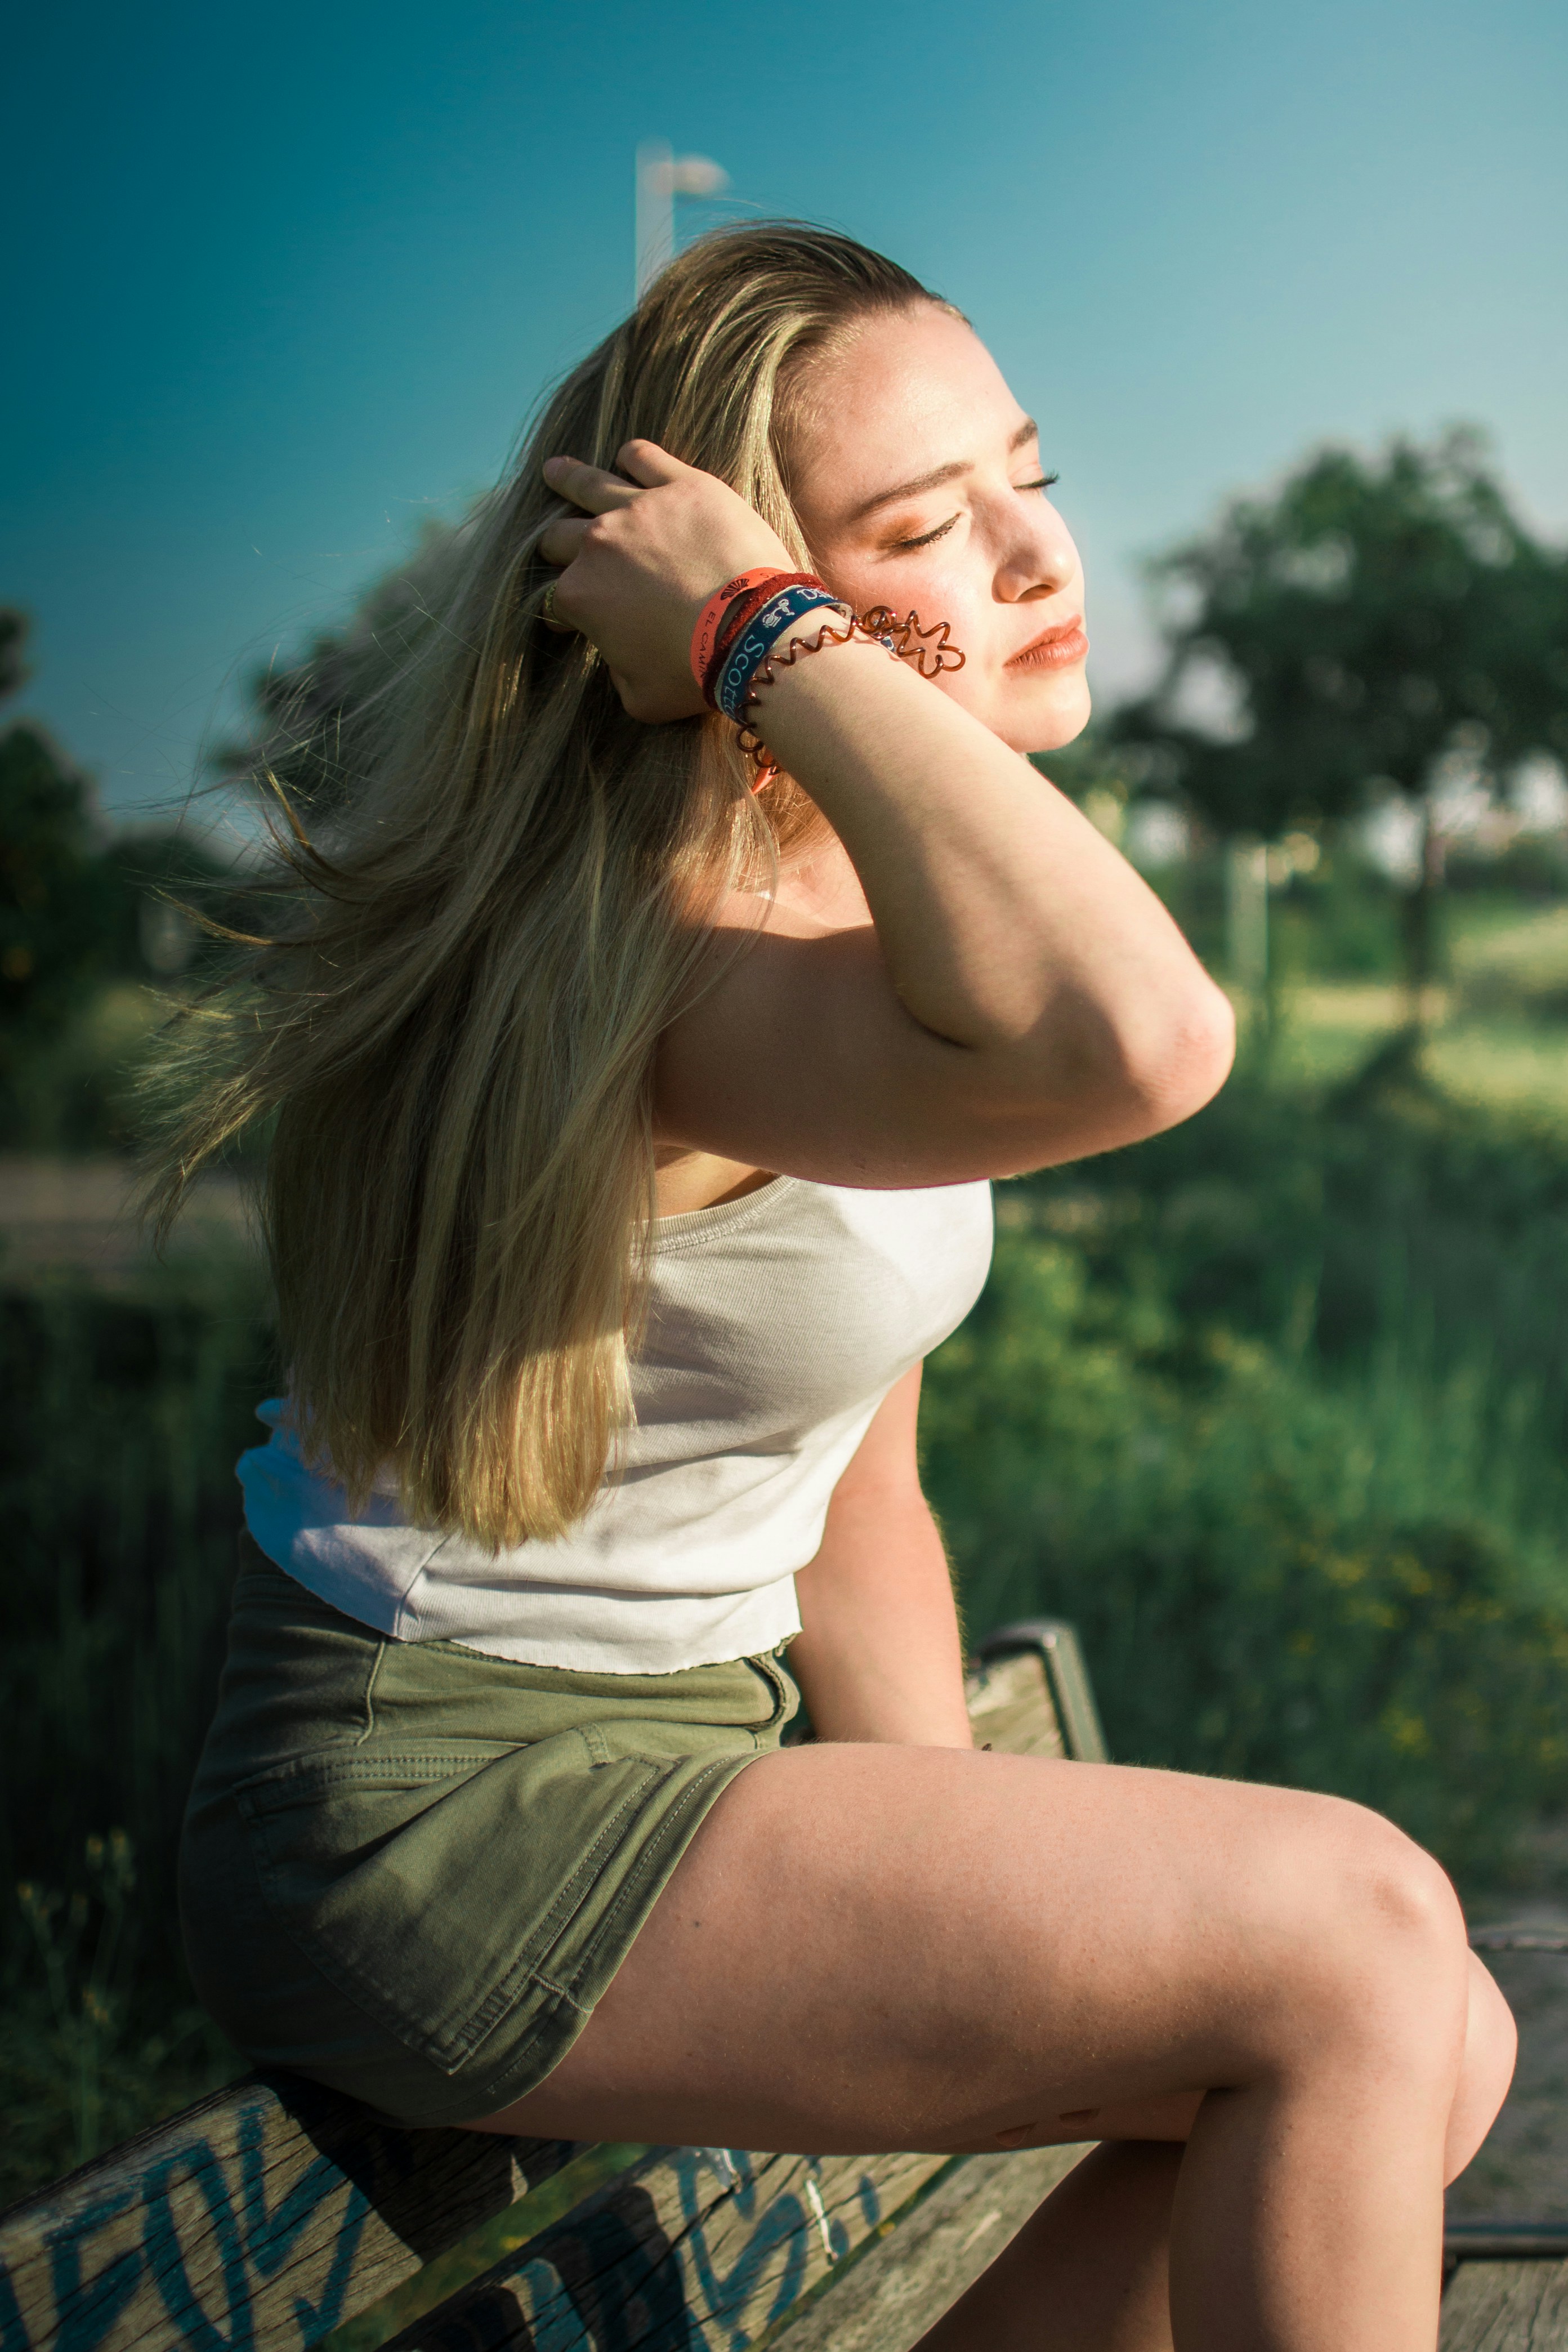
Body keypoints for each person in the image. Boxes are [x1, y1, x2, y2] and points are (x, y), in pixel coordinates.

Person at [166, 226, 1514, 2351]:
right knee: (1357, 1928)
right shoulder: (679, 959)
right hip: (443, 1805)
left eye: (1025, 472)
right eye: (915, 529)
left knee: (1426, 2028)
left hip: (688, 1754)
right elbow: (1154, 1040)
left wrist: (965, 1877)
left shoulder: (826, 906)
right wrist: (772, 627)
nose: (1031, 553)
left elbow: (850, 1486)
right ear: (724, 613)